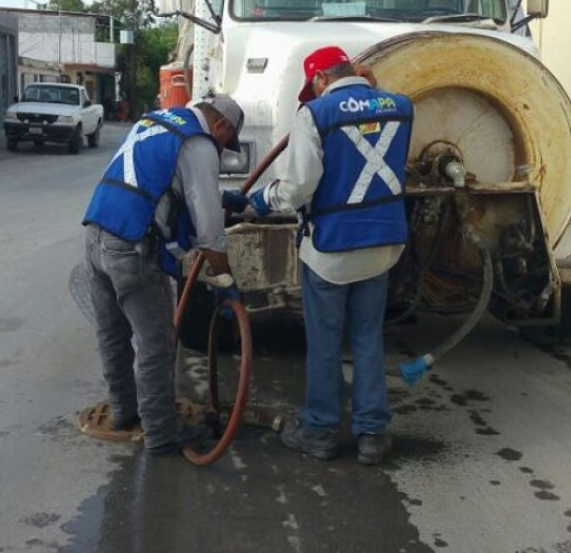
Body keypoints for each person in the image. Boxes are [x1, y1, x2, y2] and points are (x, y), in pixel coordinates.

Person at [228, 46, 413, 465]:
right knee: (367, 338)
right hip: (384, 244)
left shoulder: (316, 114)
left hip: (332, 248)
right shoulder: (401, 106)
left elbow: (296, 190)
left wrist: (261, 198)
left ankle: (320, 431)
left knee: (325, 342)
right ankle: (372, 435)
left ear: (319, 81)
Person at [82, 95, 245, 455]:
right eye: (225, 142)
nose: (221, 149)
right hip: (131, 246)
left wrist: (224, 198)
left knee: (113, 334)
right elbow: (209, 231)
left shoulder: (155, 121)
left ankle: (124, 411)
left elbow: (155, 182)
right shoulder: (198, 144)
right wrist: (226, 281)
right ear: (220, 126)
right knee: (156, 341)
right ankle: (161, 431)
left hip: (96, 233)